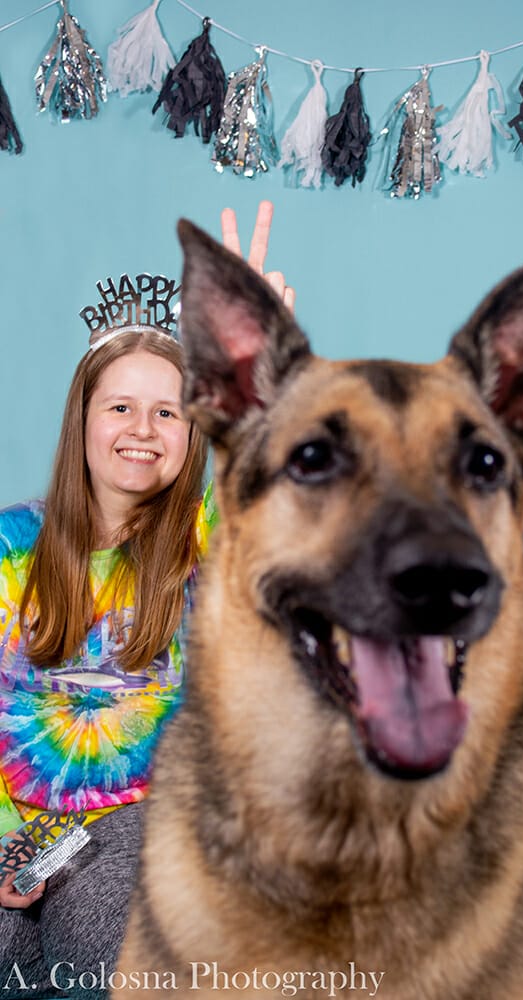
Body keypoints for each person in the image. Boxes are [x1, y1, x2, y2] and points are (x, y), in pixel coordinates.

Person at [0, 202, 293, 997]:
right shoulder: (10, 545)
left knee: (105, 948)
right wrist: (6, 845)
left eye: (168, 411)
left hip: (147, 827)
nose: (143, 428)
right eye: (120, 407)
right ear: (84, 420)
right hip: (16, 829)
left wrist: (256, 373)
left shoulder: (211, 540)